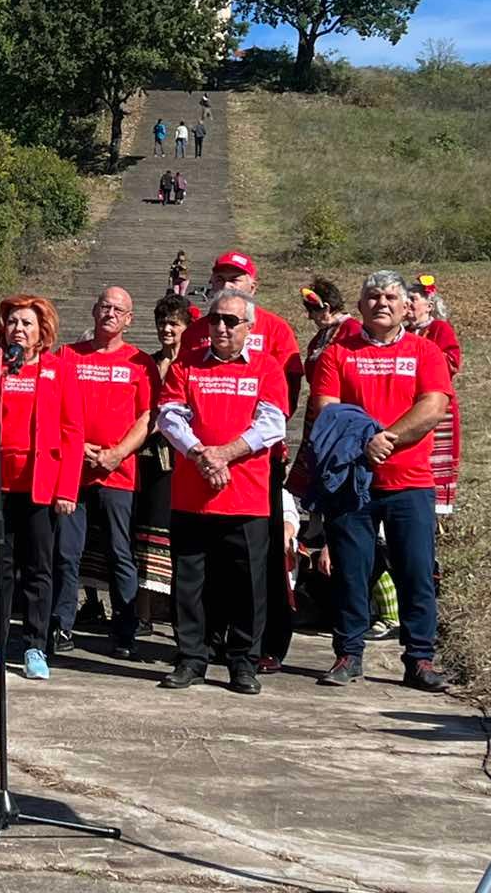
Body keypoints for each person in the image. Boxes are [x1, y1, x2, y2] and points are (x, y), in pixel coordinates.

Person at [311, 271, 453, 692]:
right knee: (351, 572)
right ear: (360, 306)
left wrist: (384, 438)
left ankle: (420, 659)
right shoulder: (337, 354)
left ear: (407, 307)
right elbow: (327, 411)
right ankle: (348, 654)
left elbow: (434, 406)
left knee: (416, 572)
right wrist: (364, 443)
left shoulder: (426, 352)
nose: (382, 303)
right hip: (352, 482)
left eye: (391, 297)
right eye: (373, 297)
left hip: (410, 481)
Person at [156, 291, 289, 695]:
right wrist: (202, 454)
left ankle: (243, 663)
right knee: (189, 582)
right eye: (216, 319)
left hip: (246, 496)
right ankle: (190, 658)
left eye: (231, 321)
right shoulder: (186, 365)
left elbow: (272, 424)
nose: (222, 327)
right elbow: (169, 417)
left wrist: (224, 455)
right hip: (192, 495)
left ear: (249, 327)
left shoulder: (267, 368)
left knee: (248, 585)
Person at [180, 251, 304, 672]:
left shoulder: (276, 331)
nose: (227, 285)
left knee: (256, 561)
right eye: (220, 278)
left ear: (254, 284)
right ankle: (207, 642)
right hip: (200, 464)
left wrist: (233, 450)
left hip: (254, 463)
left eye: (236, 278)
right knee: (204, 562)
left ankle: (260, 646)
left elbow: (284, 399)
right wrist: (206, 453)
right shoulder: (197, 332)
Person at [0, 295, 84, 681]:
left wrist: (67, 488)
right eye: (13, 322)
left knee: (38, 568)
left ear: (41, 330)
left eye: (27, 323)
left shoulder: (58, 370)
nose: (18, 329)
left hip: (41, 484)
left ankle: (34, 646)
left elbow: (72, 432)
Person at [51, 287, 160, 659]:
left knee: (119, 553)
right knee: (66, 552)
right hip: (72, 471)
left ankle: (125, 631)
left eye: (118, 309)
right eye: (104, 306)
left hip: (119, 472)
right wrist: (76, 446)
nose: (110, 313)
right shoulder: (67, 356)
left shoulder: (140, 362)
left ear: (129, 320)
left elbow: (149, 417)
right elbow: (51, 407)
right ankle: (60, 626)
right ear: (94, 311)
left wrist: (117, 453)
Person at [133, 294, 195, 633]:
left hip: (183, 460)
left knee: (179, 540)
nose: (166, 329)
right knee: (145, 536)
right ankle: (142, 614)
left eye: (173, 323)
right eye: (161, 323)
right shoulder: (147, 363)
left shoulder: (193, 364)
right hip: (148, 459)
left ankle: (181, 617)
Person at [405, 275, 463, 516]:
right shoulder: (403, 331)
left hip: (436, 401)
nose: (408, 304)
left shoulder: (439, 328)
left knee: (433, 456)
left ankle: (432, 516)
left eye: (413, 299)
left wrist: (421, 361)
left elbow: (452, 362)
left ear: (428, 305)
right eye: (406, 299)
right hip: (408, 401)